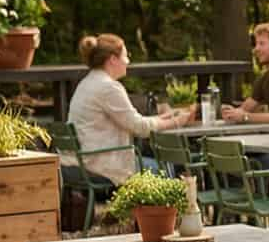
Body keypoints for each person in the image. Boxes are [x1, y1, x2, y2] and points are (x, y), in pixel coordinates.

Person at [64, 35, 192, 186]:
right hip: (102, 166)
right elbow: (140, 128)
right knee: (167, 168)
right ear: (112, 59)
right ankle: (175, 209)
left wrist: (164, 117)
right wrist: (177, 121)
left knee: (163, 164)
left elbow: (133, 121)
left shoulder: (87, 83)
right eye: (125, 56)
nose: (128, 61)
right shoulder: (108, 87)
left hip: (83, 161)